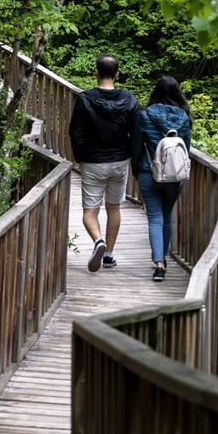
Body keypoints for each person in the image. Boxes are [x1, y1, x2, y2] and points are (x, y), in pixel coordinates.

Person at [69, 54, 140, 272]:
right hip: (119, 161)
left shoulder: (85, 99)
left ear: (96, 72)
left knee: (90, 212)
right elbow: (137, 132)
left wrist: (80, 156)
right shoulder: (130, 100)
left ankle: (98, 241)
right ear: (117, 74)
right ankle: (109, 254)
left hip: (93, 161)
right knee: (114, 208)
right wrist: (131, 156)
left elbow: (76, 132)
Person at [131, 76, 192, 282]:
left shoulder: (146, 115)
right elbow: (186, 148)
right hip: (174, 176)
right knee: (167, 216)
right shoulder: (183, 117)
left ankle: (159, 264)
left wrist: (136, 170)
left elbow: (137, 145)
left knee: (155, 217)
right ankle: (164, 257)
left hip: (149, 173)